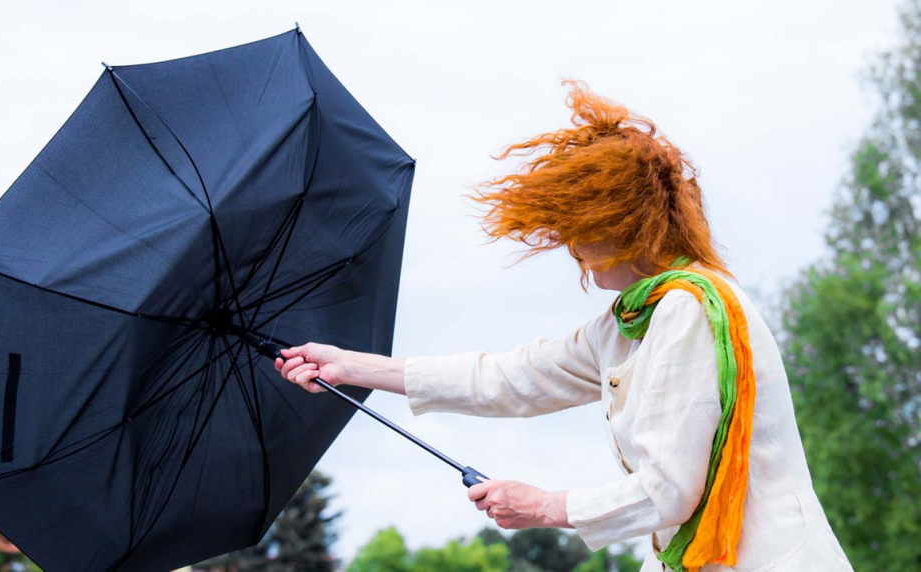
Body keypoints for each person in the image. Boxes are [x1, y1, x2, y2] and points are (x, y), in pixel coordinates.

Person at [273, 80, 852, 571]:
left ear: (619, 223)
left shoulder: (688, 310)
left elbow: (668, 492)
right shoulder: (631, 321)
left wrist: (545, 506)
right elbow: (510, 377)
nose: (569, 245)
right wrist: (354, 367)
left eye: (575, 225)